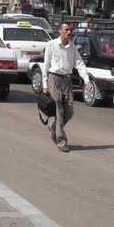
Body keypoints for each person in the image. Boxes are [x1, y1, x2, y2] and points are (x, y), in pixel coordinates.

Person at [41, 22, 91, 153]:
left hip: (67, 80)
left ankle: (53, 127)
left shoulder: (72, 46)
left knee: (69, 112)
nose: (69, 32)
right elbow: (46, 65)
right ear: (60, 31)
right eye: (66, 30)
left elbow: (79, 63)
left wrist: (86, 79)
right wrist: (45, 84)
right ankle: (61, 141)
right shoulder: (51, 45)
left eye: (70, 30)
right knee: (59, 110)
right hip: (54, 79)